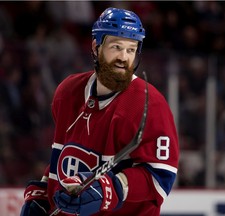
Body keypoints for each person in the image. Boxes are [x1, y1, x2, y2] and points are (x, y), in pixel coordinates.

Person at [20, 7, 179, 216]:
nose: (124, 57)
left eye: (131, 50)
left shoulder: (150, 105)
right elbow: (63, 159)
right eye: (116, 47)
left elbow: (160, 177)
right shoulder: (67, 93)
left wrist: (112, 188)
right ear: (96, 46)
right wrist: (43, 191)